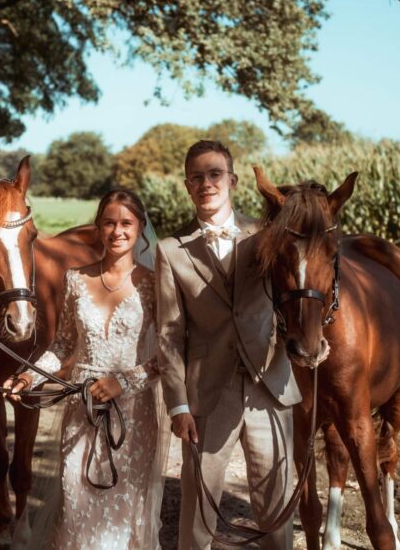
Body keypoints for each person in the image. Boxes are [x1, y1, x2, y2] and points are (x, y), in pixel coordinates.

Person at [156, 140, 301, 550]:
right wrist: (178, 404)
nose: (207, 183)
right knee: (199, 508)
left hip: (269, 389)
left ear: (233, 180)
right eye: (197, 177)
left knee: (276, 510)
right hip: (207, 396)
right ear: (187, 186)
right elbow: (169, 333)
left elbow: (298, 294)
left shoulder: (269, 236)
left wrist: (311, 340)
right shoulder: (171, 251)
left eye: (215, 174)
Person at [4, 189, 169, 550]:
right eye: (109, 222)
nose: (117, 231)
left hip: (133, 414)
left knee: (124, 508)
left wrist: (123, 382)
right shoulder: (75, 279)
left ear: (140, 227)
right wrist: (29, 374)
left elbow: (168, 356)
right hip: (81, 410)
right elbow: (63, 344)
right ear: (98, 227)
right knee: (76, 502)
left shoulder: (156, 283)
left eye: (126, 223)